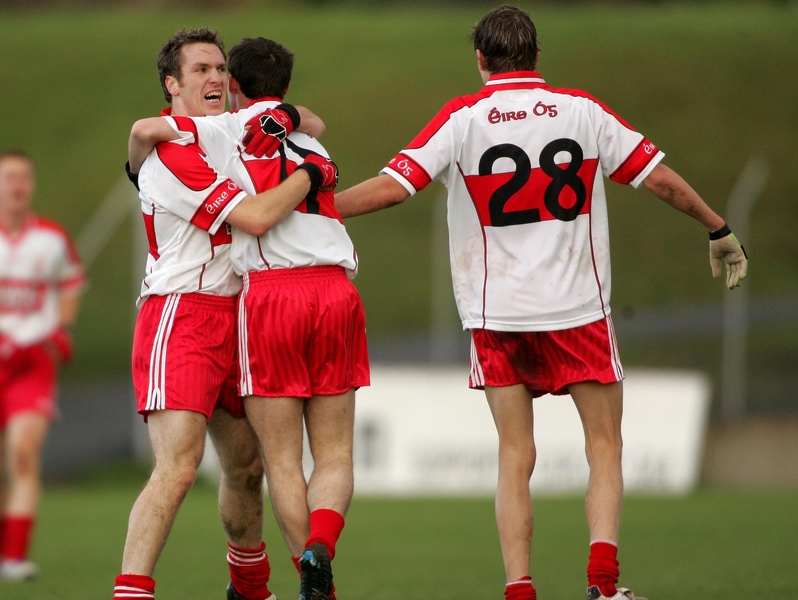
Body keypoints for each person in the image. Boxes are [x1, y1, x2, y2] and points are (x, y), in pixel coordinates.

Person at [334, 6, 748, 600]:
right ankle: (604, 588)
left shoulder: (463, 118)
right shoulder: (582, 110)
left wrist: (321, 206)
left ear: (481, 59)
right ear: (536, 57)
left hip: (496, 316)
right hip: (578, 310)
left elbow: (394, 187)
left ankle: (520, 590)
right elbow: (658, 179)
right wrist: (717, 228)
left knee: (514, 454)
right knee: (604, 446)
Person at [129, 36, 369, 600]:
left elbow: (308, 117)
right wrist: (314, 174)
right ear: (173, 83)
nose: (213, 76)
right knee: (179, 467)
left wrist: (285, 117)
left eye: (220, 67)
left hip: (248, 311)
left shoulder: (235, 130)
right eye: (201, 68)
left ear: (234, 81)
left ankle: (253, 589)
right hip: (184, 312)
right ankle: (132, 590)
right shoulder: (177, 148)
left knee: (250, 467)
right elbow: (256, 215)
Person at [0, 149, 84, 581]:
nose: (17, 186)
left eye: (24, 178)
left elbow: (70, 283)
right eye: (9, 177)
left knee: (22, 455)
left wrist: (61, 331)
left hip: (32, 361)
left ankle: (13, 557)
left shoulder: (50, 238)